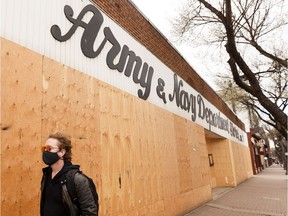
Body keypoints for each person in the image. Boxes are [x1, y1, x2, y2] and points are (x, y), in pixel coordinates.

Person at [40, 132, 98, 216]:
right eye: (43, 148)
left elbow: (90, 213)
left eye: (49, 148)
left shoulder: (78, 179)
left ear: (62, 152)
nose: (45, 151)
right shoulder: (46, 175)